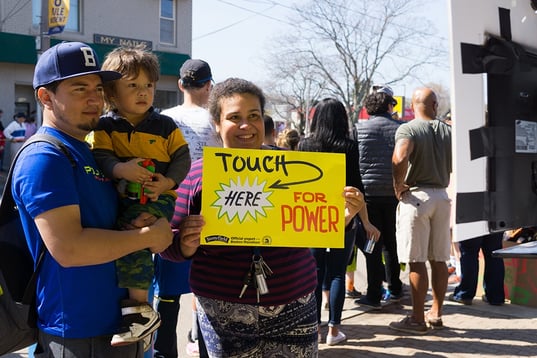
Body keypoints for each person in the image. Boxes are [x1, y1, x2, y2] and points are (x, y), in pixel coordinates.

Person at [161, 78, 365, 357]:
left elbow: (315, 228)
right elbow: (168, 244)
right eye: (234, 117)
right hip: (223, 313)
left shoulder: (296, 169)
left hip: (295, 305)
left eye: (253, 116)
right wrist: (185, 243)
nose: (246, 125)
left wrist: (345, 215)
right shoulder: (197, 175)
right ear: (217, 124)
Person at [12, 41, 173, 357]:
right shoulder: (45, 156)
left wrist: (151, 220)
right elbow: (69, 248)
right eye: (79, 88)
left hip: (121, 326)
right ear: (45, 96)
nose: (94, 99)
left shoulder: (87, 150)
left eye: (99, 89)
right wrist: (146, 237)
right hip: (79, 332)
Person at [91, 46, 191, 346]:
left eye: (148, 85)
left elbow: (182, 158)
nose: (143, 92)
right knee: (131, 239)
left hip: (158, 197)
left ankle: (140, 311)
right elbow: (102, 157)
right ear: (111, 92)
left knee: (136, 232)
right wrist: (121, 168)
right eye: (132, 85)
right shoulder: (105, 126)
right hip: (124, 198)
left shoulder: (165, 125)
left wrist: (167, 183)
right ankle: (140, 314)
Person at [298, 97, 380, 346]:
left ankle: (313, 328)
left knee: (313, 273)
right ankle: (334, 330)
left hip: (311, 217)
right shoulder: (348, 146)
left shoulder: (304, 145)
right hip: (343, 217)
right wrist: (365, 220)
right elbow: (357, 187)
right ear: (341, 119)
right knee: (337, 273)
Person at [157, 58, 219, 358]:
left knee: (167, 296)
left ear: (181, 85)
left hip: (171, 211)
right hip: (211, 215)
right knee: (207, 292)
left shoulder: (164, 119)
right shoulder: (218, 122)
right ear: (209, 86)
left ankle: (163, 353)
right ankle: (205, 348)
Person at [389, 87, 452, 334]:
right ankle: (436, 313)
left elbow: (399, 157)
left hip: (417, 197)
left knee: (416, 261)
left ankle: (416, 319)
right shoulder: (449, 131)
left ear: (413, 105)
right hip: (442, 196)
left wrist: (398, 184)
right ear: (435, 105)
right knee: (439, 259)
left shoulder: (408, 128)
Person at [354, 85, 404, 310]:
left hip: (369, 195)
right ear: (389, 106)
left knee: (372, 243)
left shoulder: (359, 130)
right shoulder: (402, 129)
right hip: (394, 194)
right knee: (392, 243)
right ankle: (395, 288)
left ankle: (373, 292)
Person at [448, 232, 505, 305]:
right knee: (494, 255)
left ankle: (465, 294)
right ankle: (496, 296)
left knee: (469, 253)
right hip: (494, 222)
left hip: (471, 222)